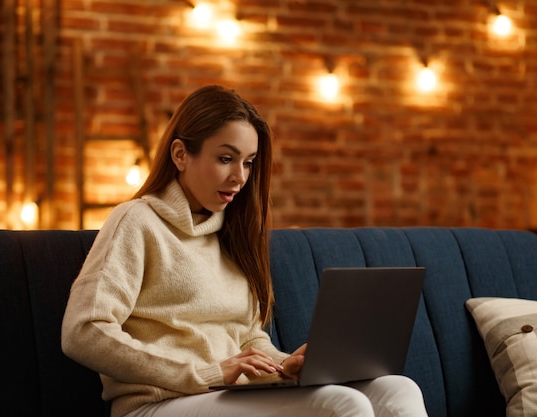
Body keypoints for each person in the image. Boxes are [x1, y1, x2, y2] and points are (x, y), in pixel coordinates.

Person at [61, 85, 429, 417]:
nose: (240, 176)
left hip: (227, 396)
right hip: (158, 404)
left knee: (397, 389)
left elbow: (247, 337)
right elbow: (84, 331)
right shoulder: (136, 221)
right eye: (226, 158)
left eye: (249, 162)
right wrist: (205, 373)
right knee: (341, 404)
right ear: (180, 154)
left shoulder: (232, 233)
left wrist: (287, 366)